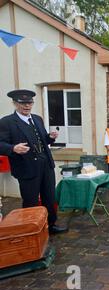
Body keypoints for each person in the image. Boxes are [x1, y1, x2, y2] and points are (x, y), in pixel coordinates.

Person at [0, 89, 68, 235]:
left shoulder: (37, 118)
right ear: (15, 103)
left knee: (49, 197)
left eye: (29, 102)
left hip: (46, 165)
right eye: (22, 103)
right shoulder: (6, 122)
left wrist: (50, 137)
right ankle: (32, 230)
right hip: (26, 167)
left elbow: (43, 139)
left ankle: (51, 224)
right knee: (30, 200)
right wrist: (13, 148)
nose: (27, 106)